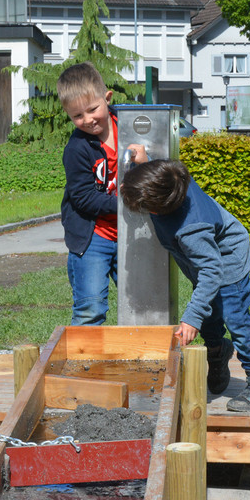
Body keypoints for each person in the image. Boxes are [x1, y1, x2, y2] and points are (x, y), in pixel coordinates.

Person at [120, 159, 250, 412]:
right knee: (209, 315)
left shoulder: (190, 229)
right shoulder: (176, 179)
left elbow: (212, 271)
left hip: (226, 263)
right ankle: (218, 352)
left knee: (235, 317)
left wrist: (191, 318)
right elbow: (156, 174)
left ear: (160, 208)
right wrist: (141, 160)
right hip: (207, 262)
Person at [56, 62, 146, 325]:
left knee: (141, 305)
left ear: (107, 99)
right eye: (77, 116)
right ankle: (82, 363)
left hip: (131, 235)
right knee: (90, 309)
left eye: (92, 109)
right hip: (93, 238)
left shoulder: (131, 127)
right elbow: (83, 198)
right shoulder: (77, 149)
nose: (87, 120)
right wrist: (126, 204)